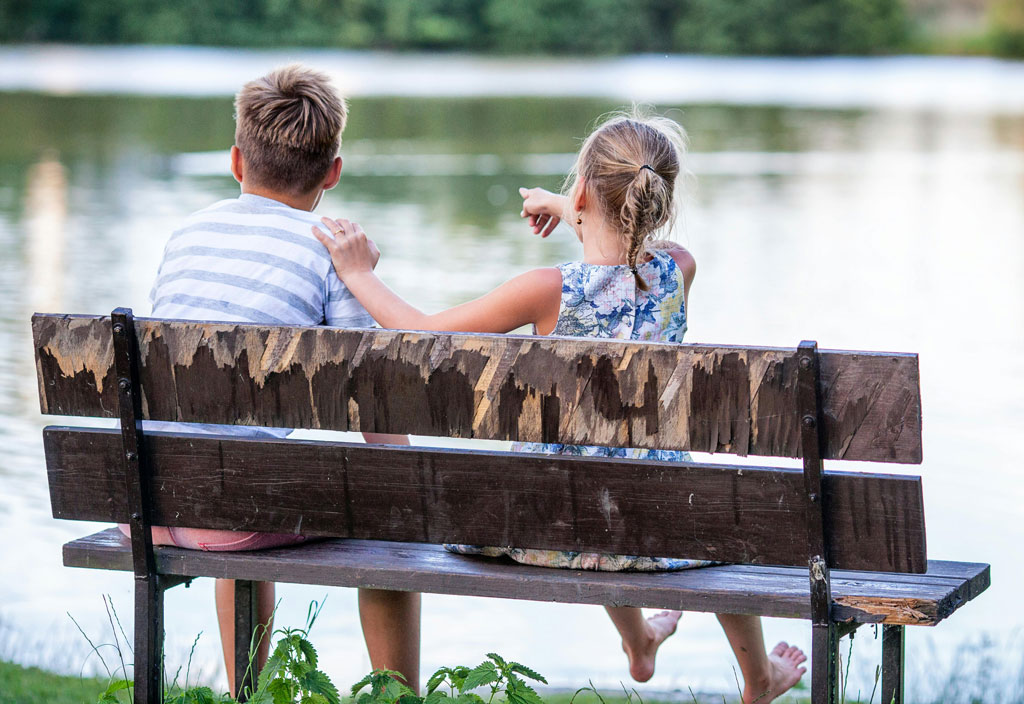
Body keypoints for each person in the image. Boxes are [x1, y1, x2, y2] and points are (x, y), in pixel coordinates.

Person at [312, 111, 807, 704]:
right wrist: (574, 204)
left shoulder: (547, 289)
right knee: (677, 504)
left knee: (586, 481)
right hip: (665, 528)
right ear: (657, 201)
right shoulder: (680, 271)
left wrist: (359, 272)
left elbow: (420, 334)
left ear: (582, 196)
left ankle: (642, 639)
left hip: (535, 527)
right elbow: (639, 253)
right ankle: (756, 678)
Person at [139, 64, 420, 695]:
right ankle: (398, 693)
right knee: (385, 510)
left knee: (236, 468)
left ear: (237, 161)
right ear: (333, 173)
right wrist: (406, 491)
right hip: (231, 510)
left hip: (153, 500)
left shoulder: (186, 234)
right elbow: (371, 403)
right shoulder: (330, 250)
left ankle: (247, 692)